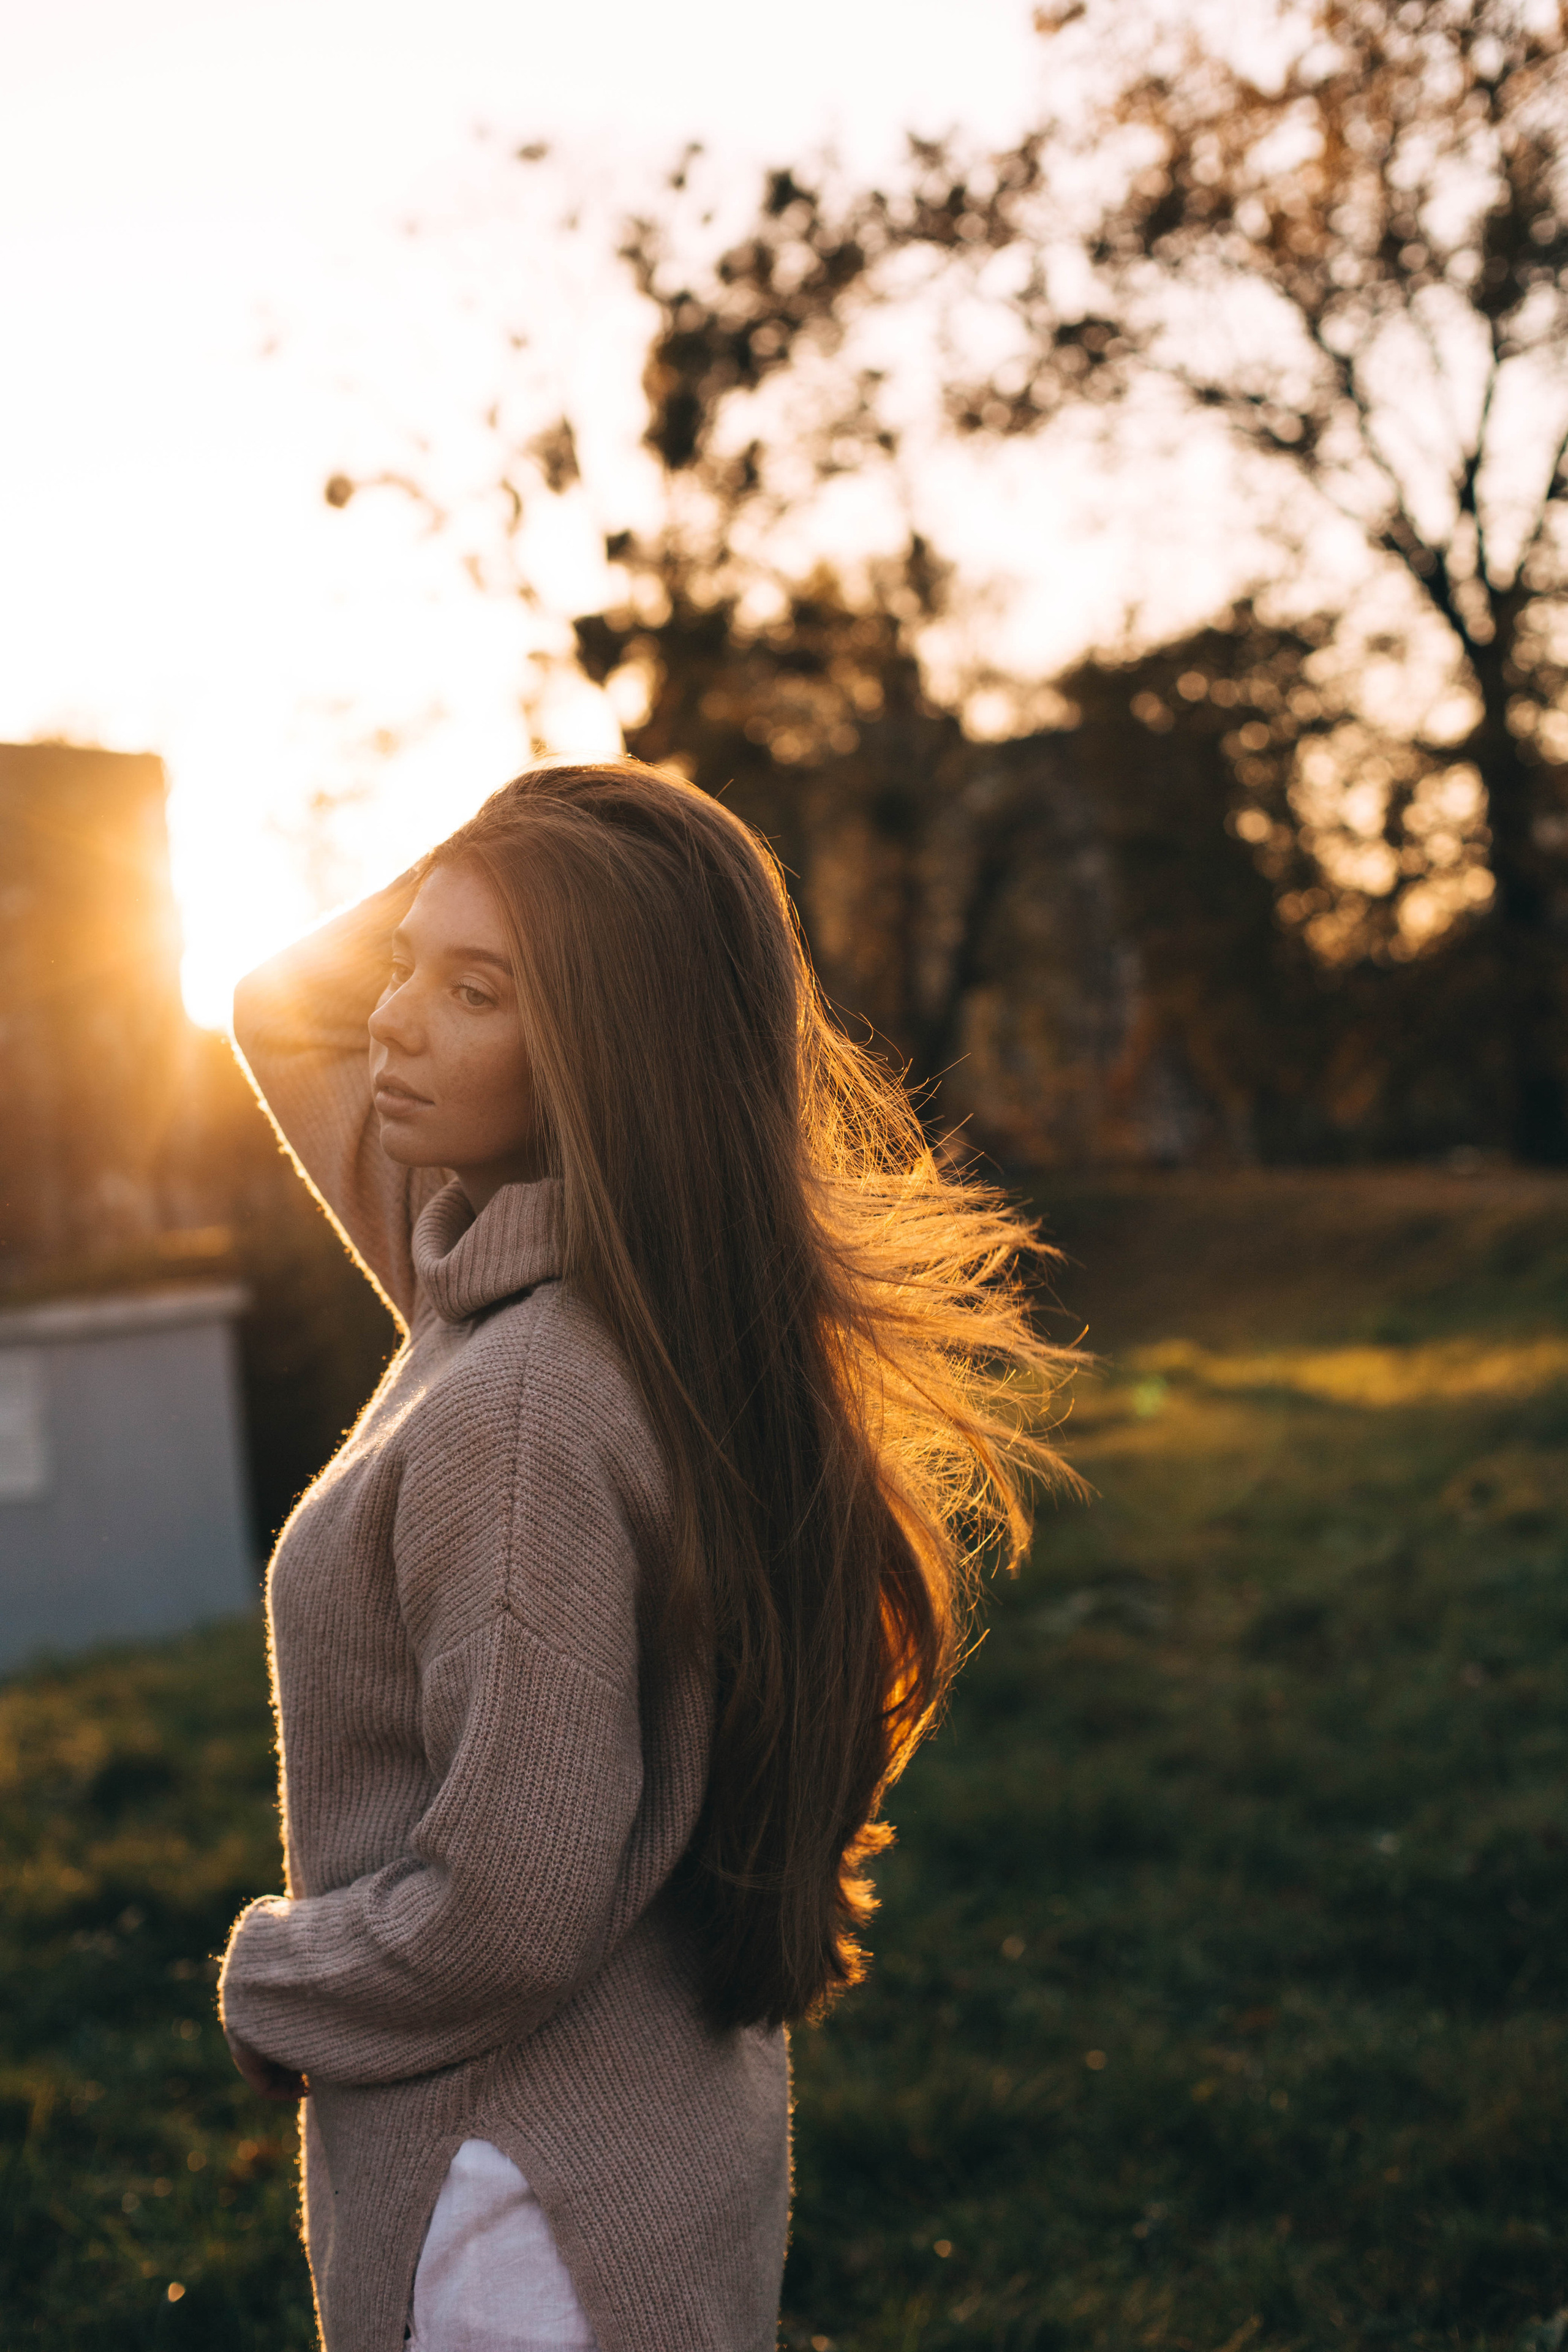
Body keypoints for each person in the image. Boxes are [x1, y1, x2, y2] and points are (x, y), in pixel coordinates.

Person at [217, 757, 1069, 2352]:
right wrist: (527, 829)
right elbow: (287, 1005)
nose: (394, 1019)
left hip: (513, 2222)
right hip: (649, 2158)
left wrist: (277, 1984)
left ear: (610, 1051)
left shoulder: (524, 1395)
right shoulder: (578, 1298)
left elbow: (507, 1908)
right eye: (405, 958)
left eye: (476, 993)